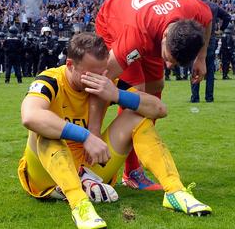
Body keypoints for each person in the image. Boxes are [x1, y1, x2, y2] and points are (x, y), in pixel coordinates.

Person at [18, 32, 212, 229]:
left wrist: (116, 94)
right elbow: (30, 116)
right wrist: (85, 136)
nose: (99, 78)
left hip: (91, 168)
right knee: (43, 130)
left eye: (102, 73)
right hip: (45, 175)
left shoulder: (105, 83)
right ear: (70, 65)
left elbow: (159, 109)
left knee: (137, 115)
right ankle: (79, 203)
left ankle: (174, 191)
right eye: (90, 73)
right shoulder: (51, 80)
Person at [92, 0, 213, 189]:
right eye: (168, 58)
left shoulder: (194, 10)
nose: (168, 65)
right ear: (165, 36)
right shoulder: (135, 36)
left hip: (150, 24)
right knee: (137, 94)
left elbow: (208, 19)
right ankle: (131, 172)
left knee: (156, 86)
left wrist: (201, 58)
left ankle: (134, 165)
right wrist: (92, 135)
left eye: (174, 63)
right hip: (113, 21)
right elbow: (99, 81)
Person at [190, 0, 231, 103]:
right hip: (210, 40)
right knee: (210, 69)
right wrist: (221, 30)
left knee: (195, 68)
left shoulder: (191, 5)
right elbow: (227, 17)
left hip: (195, 39)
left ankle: (195, 97)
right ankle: (209, 97)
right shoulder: (213, 6)